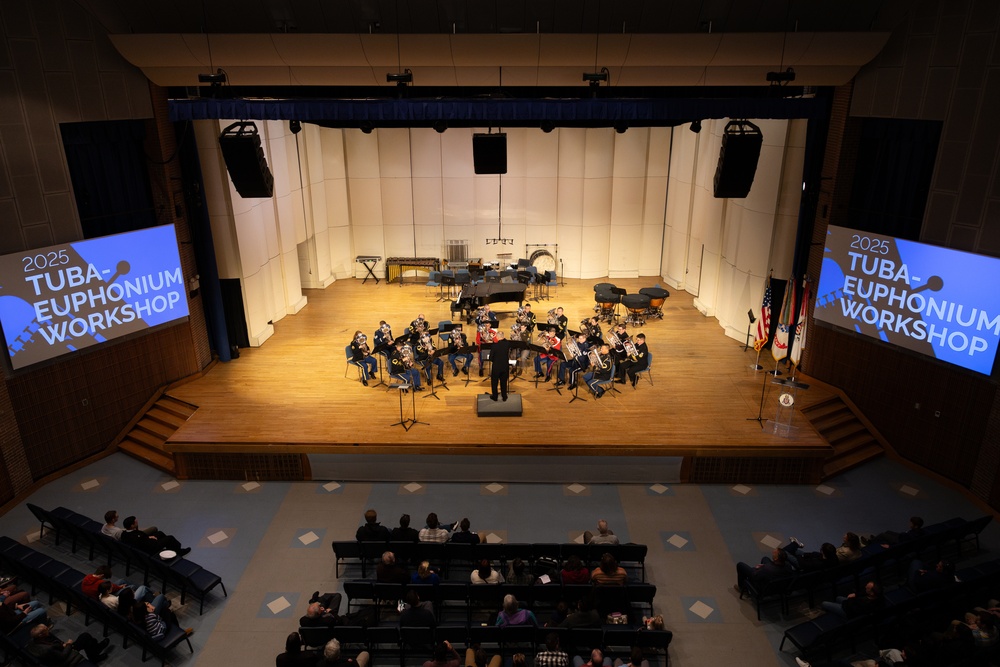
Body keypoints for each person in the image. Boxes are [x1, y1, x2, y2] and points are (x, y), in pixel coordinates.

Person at [25, 623, 110, 665]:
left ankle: (96, 650)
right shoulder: (47, 649)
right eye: (46, 629)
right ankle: (95, 654)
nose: (48, 629)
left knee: (86, 637)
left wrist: (62, 644)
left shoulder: (34, 641)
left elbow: (54, 645)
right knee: (87, 639)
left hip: (60, 649)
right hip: (66, 658)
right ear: (41, 635)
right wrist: (68, 644)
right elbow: (62, 656)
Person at [120, 516, 189, 557]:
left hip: (144, 543)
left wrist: (148, 537)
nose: (137, 522)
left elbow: (142, 539)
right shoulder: (137, 536)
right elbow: (145, 543)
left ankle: (170, 549)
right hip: (150, 548)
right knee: (170, 538)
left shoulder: (124, 534)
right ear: (132, 526)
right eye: (135, 522)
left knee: (160, 533)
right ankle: (179, 552)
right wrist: (152, 539)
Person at [485, 331, 513, 401]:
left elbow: (491, 358)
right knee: (503, 382)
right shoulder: (507, 344)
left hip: (496, 367)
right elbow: (506, 340)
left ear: (497, 337)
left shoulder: (494, 346)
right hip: (505, 367)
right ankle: (504, 396)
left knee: (494, 382)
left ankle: (495, 396)